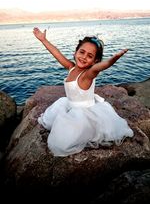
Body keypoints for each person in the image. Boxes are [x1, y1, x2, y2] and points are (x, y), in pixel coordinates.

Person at [33, 27, 134, 157]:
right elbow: (57, 53)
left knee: (61, 142)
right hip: (69, 104)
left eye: (90, 56)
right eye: (82, 52)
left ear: (95, 61)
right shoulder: (71, 67)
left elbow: (100, 67)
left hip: (84, 113)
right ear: (75, 52)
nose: (84, 57)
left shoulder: (88, 74)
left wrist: (112, 60)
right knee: (54, 119)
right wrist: (43, 40)